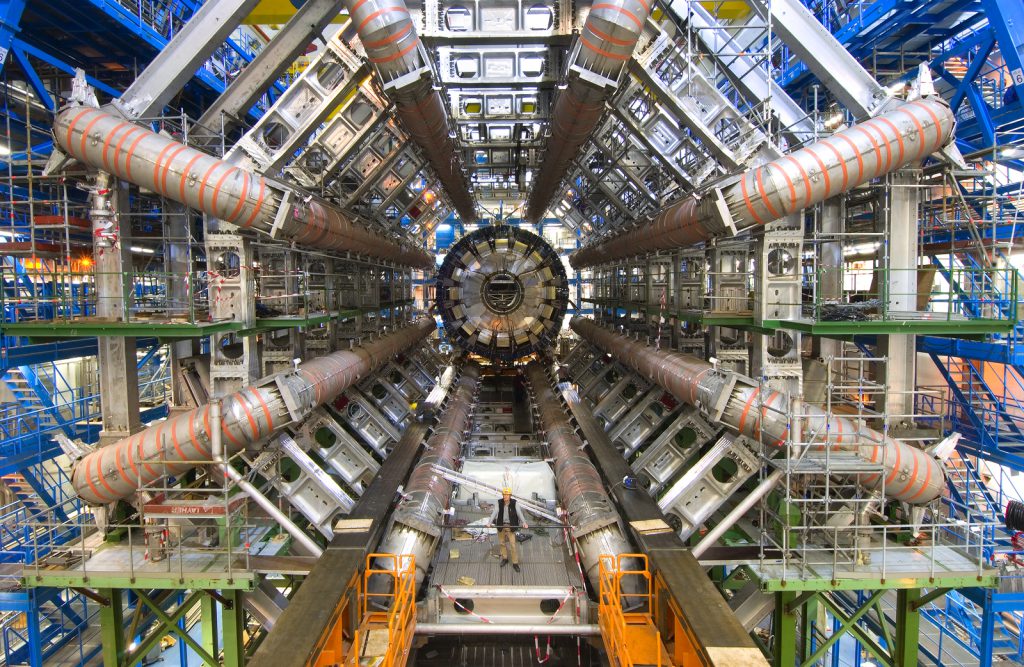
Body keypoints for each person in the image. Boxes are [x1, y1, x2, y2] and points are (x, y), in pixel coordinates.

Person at [488, 487, 529, 572]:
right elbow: (495, 512)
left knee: (513, 545)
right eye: (504, 494)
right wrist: (489, 522)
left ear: (510, 495)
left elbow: (519, 513)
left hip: (511, 526)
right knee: (502, 543)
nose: (505, 496)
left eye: (507, 495)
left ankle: (515, 563)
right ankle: (505, 558)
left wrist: (524, 522)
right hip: (501, 525)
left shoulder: (514, 503)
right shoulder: (499, 502)